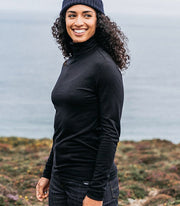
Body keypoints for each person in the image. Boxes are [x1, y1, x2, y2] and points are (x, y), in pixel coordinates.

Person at [36, 0, 130, 205]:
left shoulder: (104, 67)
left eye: (87, 15)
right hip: (61, 178)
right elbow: (64, 124)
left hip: (89, 183)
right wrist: (48, 172)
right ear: (64, 20)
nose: (79, 22)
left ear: (99, 21)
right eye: (72, 15)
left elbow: (110, 133)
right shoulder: (70, 63)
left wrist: (96, 193)